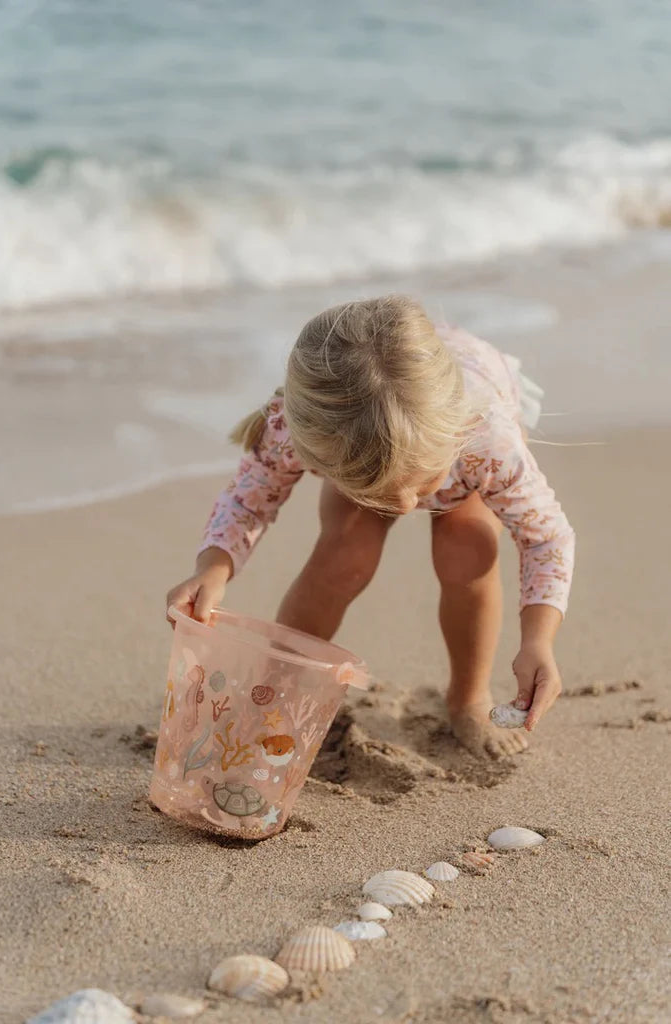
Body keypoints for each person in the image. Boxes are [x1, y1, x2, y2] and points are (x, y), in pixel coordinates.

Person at [166, 296, 574, 759]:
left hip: (456, 439)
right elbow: (247, 501)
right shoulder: (304, 428)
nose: (403, 506)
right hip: (370, 429)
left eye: (420, 485)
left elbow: (547, 536)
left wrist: (538, 639)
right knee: (345, 552)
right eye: (384, 492)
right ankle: (279, 689)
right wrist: (214, 568)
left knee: (468, 549)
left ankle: (468, 697)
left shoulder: (484, 439)